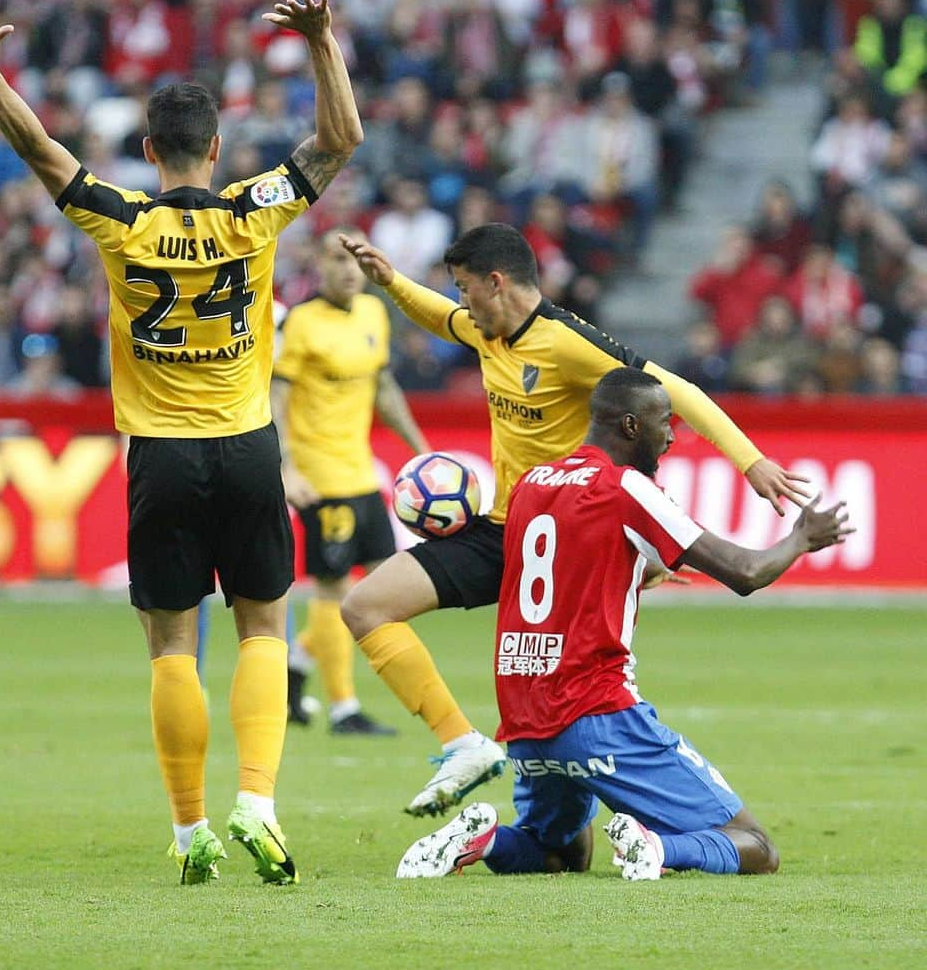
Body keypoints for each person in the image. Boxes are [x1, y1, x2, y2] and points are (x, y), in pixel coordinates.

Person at [0, 0, 362, 886]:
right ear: (216, 150)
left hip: (160, 457)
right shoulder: (253, 213)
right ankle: (258, 800)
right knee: (263, 626)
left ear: (149, 153)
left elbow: (38, 151)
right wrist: (323, 44)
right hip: (251, 446)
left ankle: (189, 832)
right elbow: (338, 142)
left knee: (172, 644)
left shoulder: (121, 220)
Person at [337, 224, 811, 820]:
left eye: (464, 288)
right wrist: (392, 282)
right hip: (502, 529)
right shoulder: (489, 332)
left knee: (582, 691)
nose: (460, 303)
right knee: (364, 606)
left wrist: (750, 460)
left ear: (496, 282)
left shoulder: (566, 342)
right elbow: (440, 319)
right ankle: (465, 745)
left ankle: (625, 794)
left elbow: (676, 391)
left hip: (566, 535)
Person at [397, 367, 853, 880]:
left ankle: (483, 839)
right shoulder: (628, 487)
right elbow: (746, 573)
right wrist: (801, 539)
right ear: (632, 426)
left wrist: (634, 573)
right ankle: (657, 848)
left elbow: (558, 574)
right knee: (756, 847)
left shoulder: (531, 484)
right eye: (664, 423)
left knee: (562, 854)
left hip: (525, 719)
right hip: (598, 713)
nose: (672, 436)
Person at [271, 229, 429, 735]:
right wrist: (286, 466)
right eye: (338, 260)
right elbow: (275, 397)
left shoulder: (374, 314)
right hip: (319, 478)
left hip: (360, 472)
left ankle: (296, 667)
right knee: (335, 590)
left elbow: (383, 388)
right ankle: (343, 708)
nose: (348, 270)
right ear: (319, 264)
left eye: (356, 261)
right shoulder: (301, 323)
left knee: (384, 587)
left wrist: (423, 451)